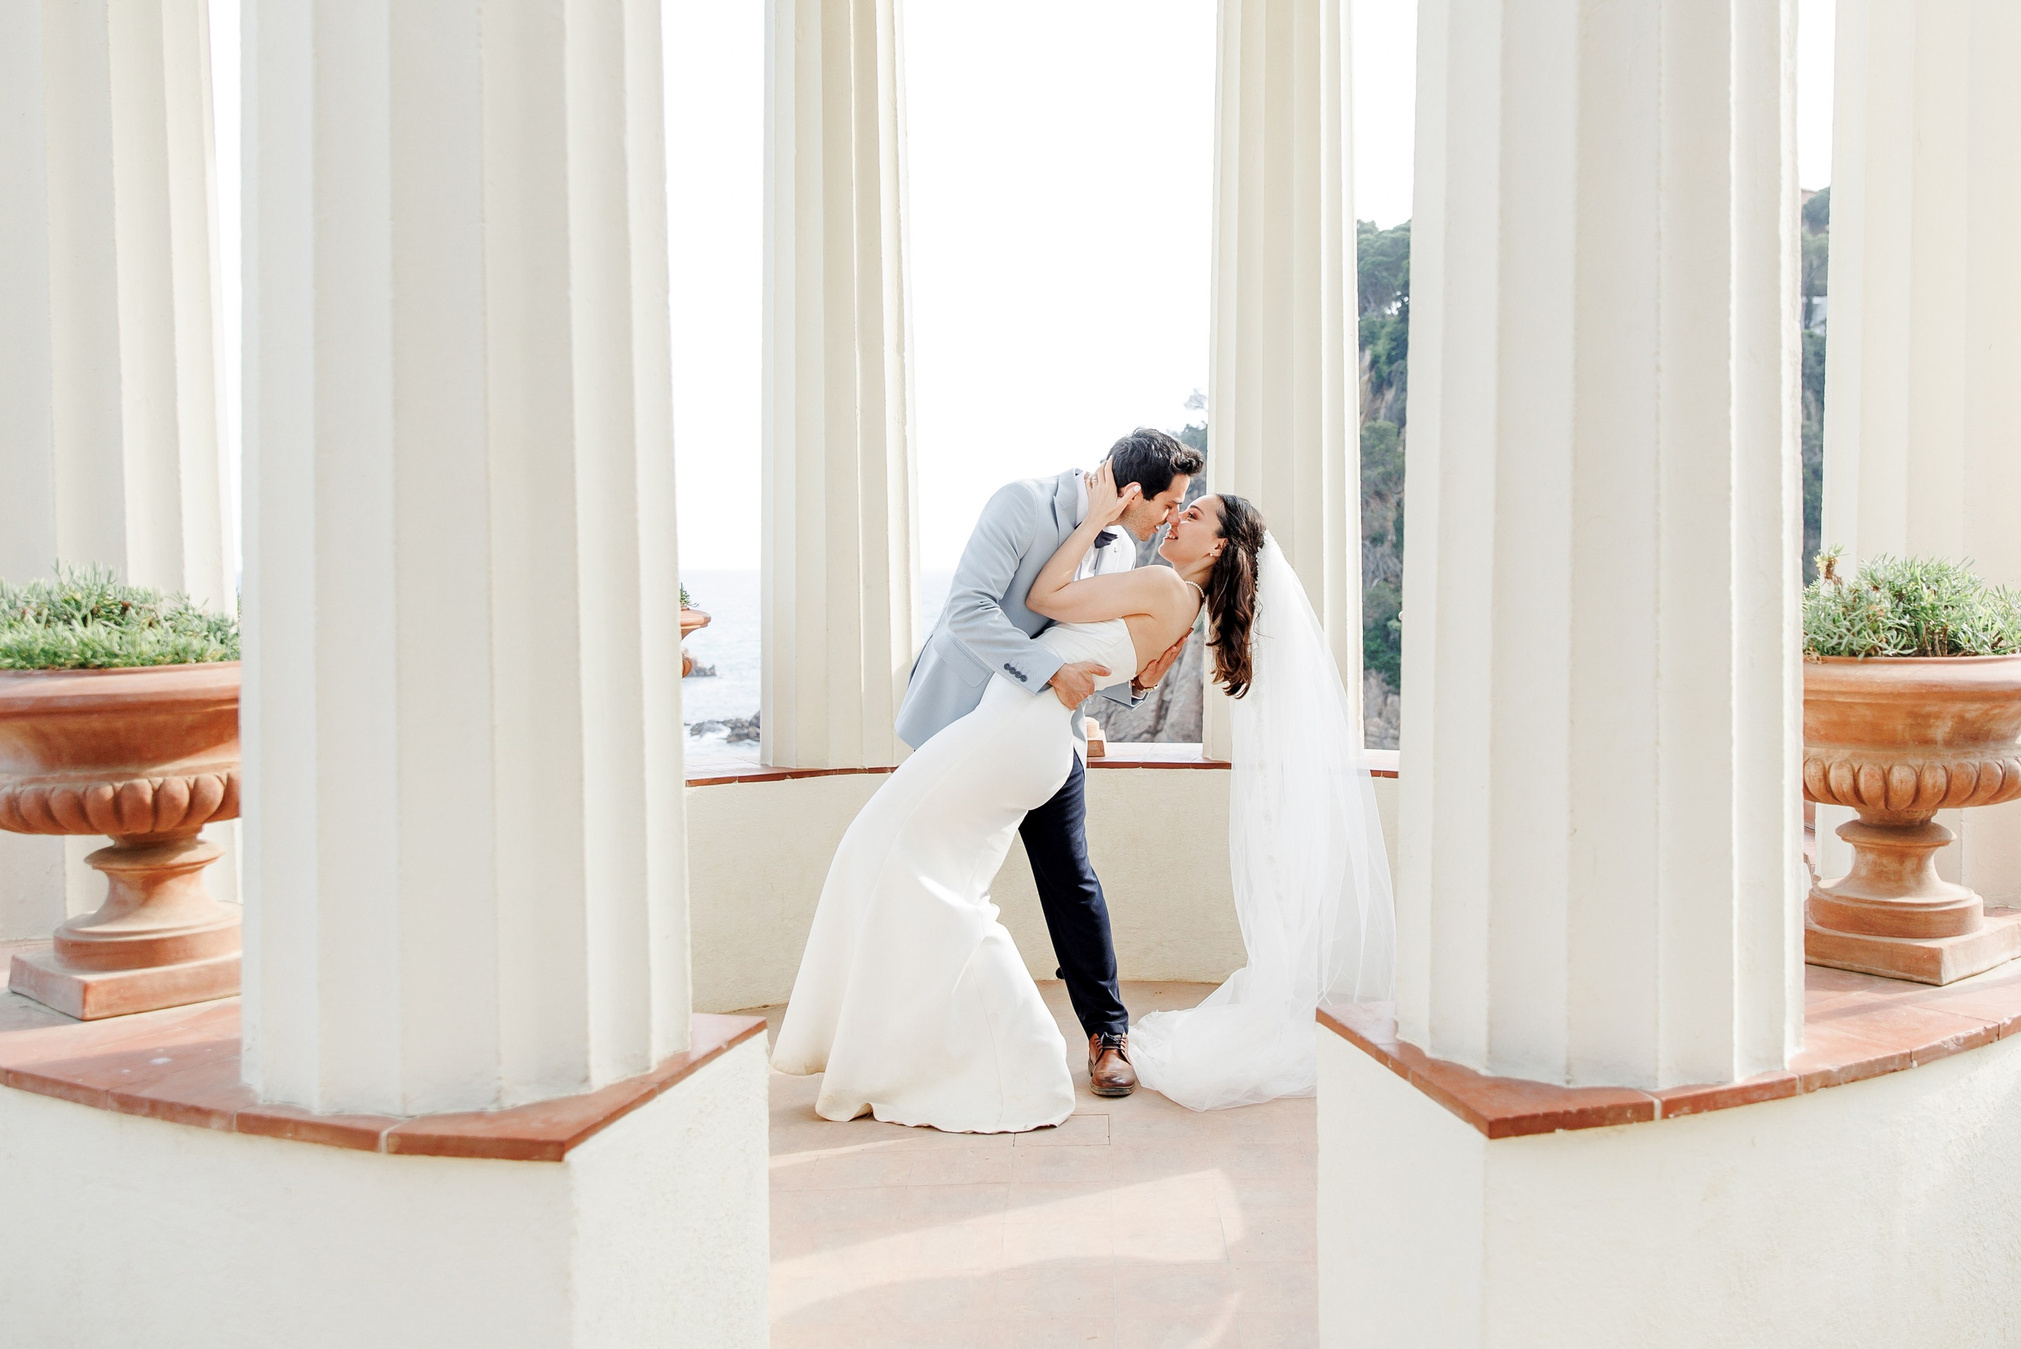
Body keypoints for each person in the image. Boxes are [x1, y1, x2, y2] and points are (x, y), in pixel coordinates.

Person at [771, 431, 1215, 1131]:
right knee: (924, 873)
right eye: (1168, 503)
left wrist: (1097, 691)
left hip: (1043, 734)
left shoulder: (1125, 550)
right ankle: (897, 1033)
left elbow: (1098, 640)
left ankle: (1106, 1036)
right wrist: (1050, 675)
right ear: (1131, 493)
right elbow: (970, 610)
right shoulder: (1021, 503)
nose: (1169, 518)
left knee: (1069, 878)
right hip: (965, 722)